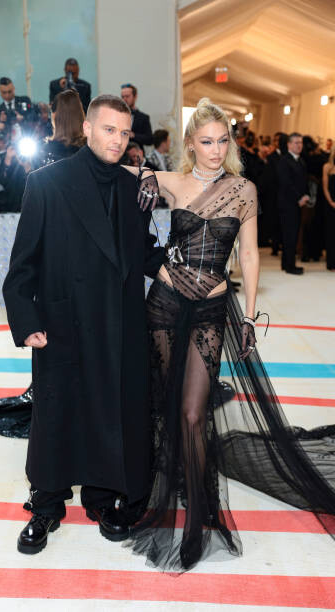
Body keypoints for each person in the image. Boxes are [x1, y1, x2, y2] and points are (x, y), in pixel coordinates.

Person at [122, 97, 335, 572]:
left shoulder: (243, 189)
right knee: (167, 404)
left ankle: (200, 512)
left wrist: (250, 316)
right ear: (190, 144)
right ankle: (175, 480)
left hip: (210, 309)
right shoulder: (173, 181)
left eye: (222, 141)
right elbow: (109, 172)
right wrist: (139, 172)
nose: (216, 150)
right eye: (206, 141)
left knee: (194, 411)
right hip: (164, 303)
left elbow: (251, 255)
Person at [2, 94, 164, 555]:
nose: (117, 140)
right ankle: (45, 505)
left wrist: (185, 270)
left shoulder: (135, 188)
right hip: (63, 321)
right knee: (56, 415)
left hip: (118, 322)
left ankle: (103, 498)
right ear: (88, 128)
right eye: (109, 129)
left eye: (124, 132)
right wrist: (26, 320)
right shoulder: (46, 182)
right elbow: (23, 263)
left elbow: (142, 251)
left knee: (110, 410)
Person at [277, 132, 310, 275]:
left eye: (300, 143)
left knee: (294, 234)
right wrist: (299, 198)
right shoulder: (284, 161)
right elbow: (286, 183)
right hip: (288, 203)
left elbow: (304, 181)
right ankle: (290, 266)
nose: (299, 145)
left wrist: (306, 194)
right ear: (289, 144)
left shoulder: (301, 160)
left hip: (297, 203)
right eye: (296, 143)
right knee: (289, 235)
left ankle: (287, 263)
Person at [34, 90, 85, 168]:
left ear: (54, 115)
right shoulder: (90, 147)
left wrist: (27, 167)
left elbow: (37, 175)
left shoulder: (45, 150)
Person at [120, 84, 153, 150]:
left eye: (127, 96)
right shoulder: (116, 116)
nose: (124, 99)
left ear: (135, 97)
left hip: (136, 154)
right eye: (122, 97)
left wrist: (134, 135)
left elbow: (150, 140)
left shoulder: (143, 117)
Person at [322, 146, 335, 270]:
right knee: (331, 233)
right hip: (330, 204)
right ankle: (331, 262)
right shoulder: (327, 167)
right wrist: (331, 201)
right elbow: (325, 187)